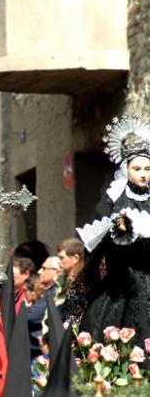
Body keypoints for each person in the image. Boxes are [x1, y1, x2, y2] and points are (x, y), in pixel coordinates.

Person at [63, 114, 150, 348]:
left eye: (147, 168)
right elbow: (96, 250)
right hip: (120, 290)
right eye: (137, 168)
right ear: (126, 170)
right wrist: (120, 232)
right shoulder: (114, 203)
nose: (143, 174)